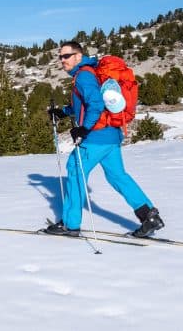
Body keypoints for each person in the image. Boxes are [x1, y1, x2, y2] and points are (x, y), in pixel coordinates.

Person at [45, 41, 164, 238]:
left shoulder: (83, 75)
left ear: (78, 56)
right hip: (111, 135)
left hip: (96, 137)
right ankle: (148, 216)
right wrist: (63, 112)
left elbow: (96, 104)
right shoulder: (92, 72)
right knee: (118, 176)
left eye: (66, 56)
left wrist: (84, 128)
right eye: (60, 56)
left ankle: (70, 224)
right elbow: (84, 105)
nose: (62, 60)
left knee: (75, 170)